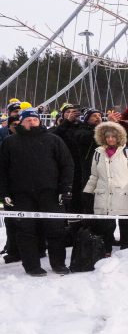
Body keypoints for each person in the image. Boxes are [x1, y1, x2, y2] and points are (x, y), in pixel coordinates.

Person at [0, 107, 75, 276]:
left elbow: (67, 165)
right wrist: (4, 193)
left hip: (51, 193)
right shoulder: (10, 142)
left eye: (35, 120)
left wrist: (65, 189)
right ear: (21, 122)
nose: (32, 122)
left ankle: (58, 263)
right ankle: (32, 266)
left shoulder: (53, 140)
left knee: (56, 229)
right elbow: (2, 170)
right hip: (21, 195)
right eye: (28, 120)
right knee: (26, 231)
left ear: (40, 121)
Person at [82, 119, 128, 251]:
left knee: (127, 228)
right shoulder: (98, 153)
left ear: (119, 137)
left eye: (113, 136)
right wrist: (87, 192)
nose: (110, 139)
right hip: (104, 197)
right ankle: (106, 251)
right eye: (107, 136)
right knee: (105, 228)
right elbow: (94, 176)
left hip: (125, 196)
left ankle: (127, 252)